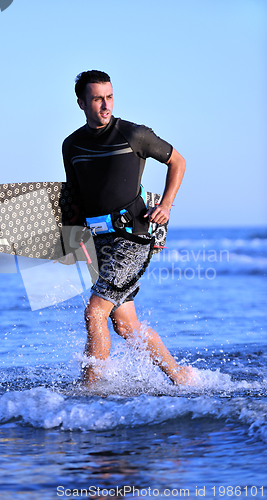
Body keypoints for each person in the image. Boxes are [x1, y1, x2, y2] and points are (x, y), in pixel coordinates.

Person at [62, 70, 193, 387]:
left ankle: (91, 392)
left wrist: (164, 204)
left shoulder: (134, 134)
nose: (105, 106)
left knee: (95, 313)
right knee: (125, 325)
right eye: (97, 99)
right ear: (81, 103)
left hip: (133, 235)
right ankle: (182, 378)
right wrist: (71, 238)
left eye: (109, 97)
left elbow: (178, 162)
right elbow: (75, 196)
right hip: (98, 241)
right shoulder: (72, 145)